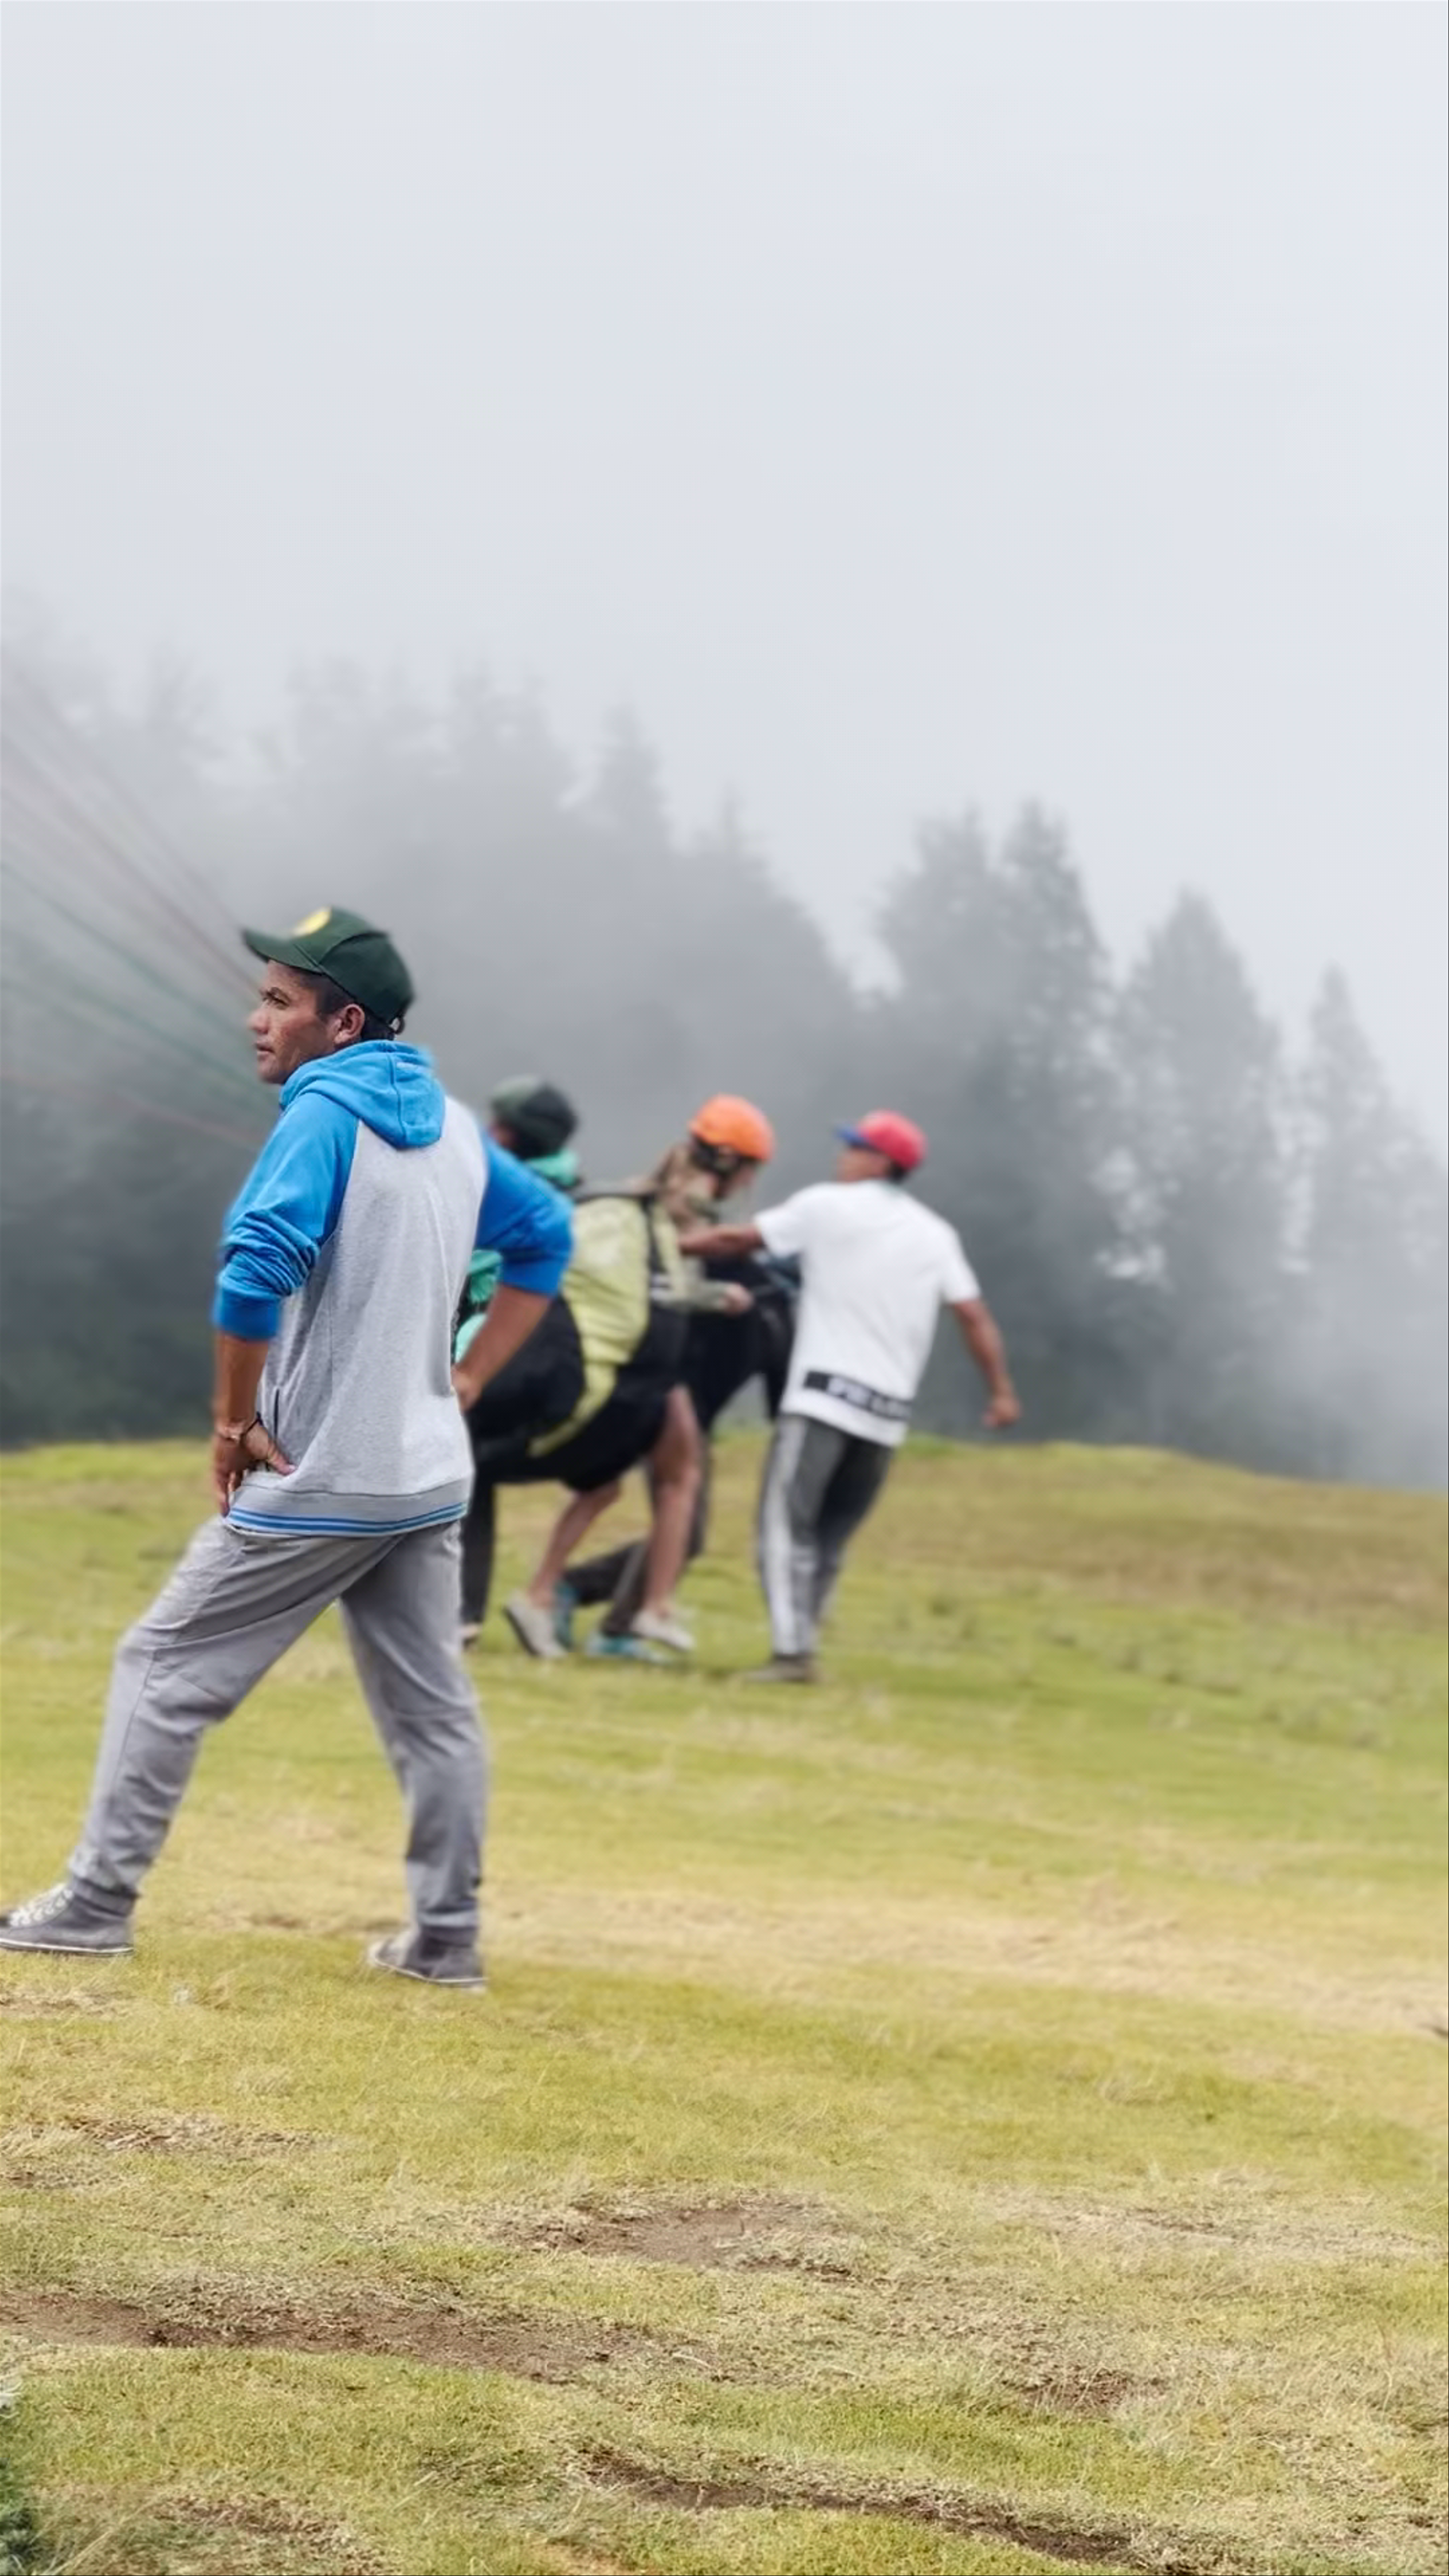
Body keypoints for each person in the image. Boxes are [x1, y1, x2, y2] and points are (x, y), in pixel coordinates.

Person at [0, 906, 571, 1985]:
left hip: (321, 1477)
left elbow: (255, 1265)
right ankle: (446, 1940)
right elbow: (546, 1236)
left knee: (161, 1665)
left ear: (342, 1020)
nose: (254, 1018)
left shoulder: (321, 1116)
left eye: (278, 1000)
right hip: (426, 1478)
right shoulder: (451, 1123)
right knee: (433, 1714)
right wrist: (469, 1379)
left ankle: (94, 1902)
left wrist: (233, 1422)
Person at [681, 1110, 1020, 1682]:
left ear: (880, 1162)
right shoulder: (936, 1233)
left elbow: (740, 1239)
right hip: (887, 1414)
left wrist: (665, 1243)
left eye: (855, 1146)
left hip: (822, 1398)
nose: (845, 1156)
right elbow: (973, 1314)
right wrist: (1002, 1392)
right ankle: (803, 1637)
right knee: (831, 1536)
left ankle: (792, 1654)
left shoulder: (827, 1205)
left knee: (784, 1525)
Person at [454, 1097, 773, 1657]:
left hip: (626, 1358)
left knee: (613, 1484)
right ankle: (634, 1609)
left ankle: (552, 1594)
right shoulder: (675, 1202)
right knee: (677, 1475)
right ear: (734, 1165)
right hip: (620, 1365)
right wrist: (720, 1294)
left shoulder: (643, 1190)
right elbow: (650, 1278)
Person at [560, 1248, 799, 1661]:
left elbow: (779, 1399)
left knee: (672, 1525)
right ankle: (596, 1609)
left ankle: (584, 1599)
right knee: (681, 1528)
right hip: (668, 1406)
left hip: (675, 1409)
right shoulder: (751, 1288)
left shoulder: (775, 1312)